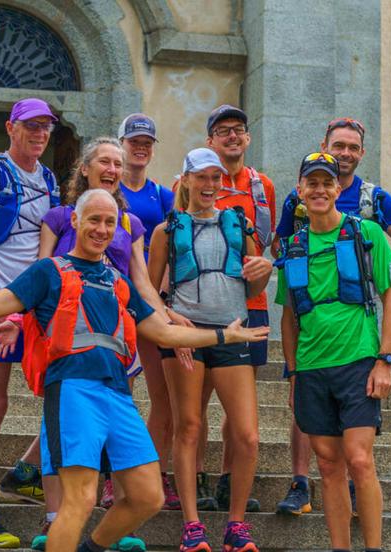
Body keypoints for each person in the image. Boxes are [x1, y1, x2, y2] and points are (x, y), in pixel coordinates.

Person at [0, 188, 271, 552]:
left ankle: (90, 547)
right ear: (75, 220)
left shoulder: (118, 281)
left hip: (117, 395)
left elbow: (161, 330)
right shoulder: (49, 271)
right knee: (81, 498)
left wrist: (224, 335)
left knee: (148, 495)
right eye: (94, 220)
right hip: (73, 391)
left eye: (109, 222)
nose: (102, 229)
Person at [35, 137, 188, 552]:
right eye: (105, 160)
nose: (114, 168)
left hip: (119, 325)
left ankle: (91, 521)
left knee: (107, 423)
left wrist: (166, 316)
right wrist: (21, 319)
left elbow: (141, 280)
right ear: (85, 167)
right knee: (66, 446)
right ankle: (55, 517)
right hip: (70, 329)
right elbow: (39, 271)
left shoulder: (129, 222)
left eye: (118, 163)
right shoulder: (60, 216)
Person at [271, 118, 391, 517]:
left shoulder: (375, 196)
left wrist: (370, 276)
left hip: (358, 318)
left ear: (361, 154)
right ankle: (300, 483)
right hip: (311, 319)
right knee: (309, 406)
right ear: (325, 145)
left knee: (355, 437)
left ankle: (354, 491)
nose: (346, 153)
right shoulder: (297, 197)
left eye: (353, 148)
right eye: (339, 145)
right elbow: (279, 245)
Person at [149, 148, 273, 552]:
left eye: (215, 178)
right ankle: (192, 526)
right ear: (184, 180)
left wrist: (263, 273)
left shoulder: (240, 224)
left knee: (248, 435)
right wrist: (170, 321)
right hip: (187, 336)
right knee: (188, 426)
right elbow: (150, 294)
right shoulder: (166, 230)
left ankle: (236, 525)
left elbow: (252, 288)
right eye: (201, 177)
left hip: (234, 331)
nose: (209, 185)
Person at [0, 98, 60, 548]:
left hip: (31, 309)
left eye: (46, 128)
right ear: (11, 128)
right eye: (32, 126)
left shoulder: (52, 178)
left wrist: (28, 312)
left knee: (62, 396)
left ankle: (24, 472)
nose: (40, 134)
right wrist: (0, 310)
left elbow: (47, 250)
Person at [196, 105, 277, 512]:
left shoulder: (262, 186)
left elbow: (269, 244)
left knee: (237, 401)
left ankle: (228, 480)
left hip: (252, 304)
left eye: (239, 130)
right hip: (204, 305)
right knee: (197, 399)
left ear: (247, 138)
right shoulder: (194, 183)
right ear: (210, 140)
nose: (232, 136)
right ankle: (195, 479)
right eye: (223, 130)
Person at [117, 114, 179, 512]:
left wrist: (166, 299)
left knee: (162, 399)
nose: (141, 147)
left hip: (149, 303)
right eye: (134, 140)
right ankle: (113, 479)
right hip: (110, 302)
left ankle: (153, 474)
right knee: (118, 396)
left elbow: (173, 248)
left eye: (148, 142)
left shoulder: (162, 195)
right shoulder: (111, 188)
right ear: (122, 143)